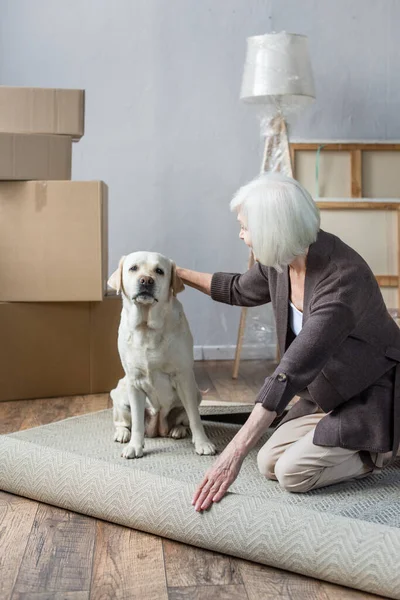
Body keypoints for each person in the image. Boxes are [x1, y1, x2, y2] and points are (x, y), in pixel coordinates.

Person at [177, 172, 400, 512]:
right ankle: (346, 440)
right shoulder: (281, 262)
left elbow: (290, 372)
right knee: (267, 463)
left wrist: (231, 454)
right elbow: (238, 289)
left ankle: (380, 451)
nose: (241, 235)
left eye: (245, 227)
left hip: (368, 392)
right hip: (327, 393)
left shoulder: (341, 282)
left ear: (272, 231)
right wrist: (175, 272)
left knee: (292, 474)